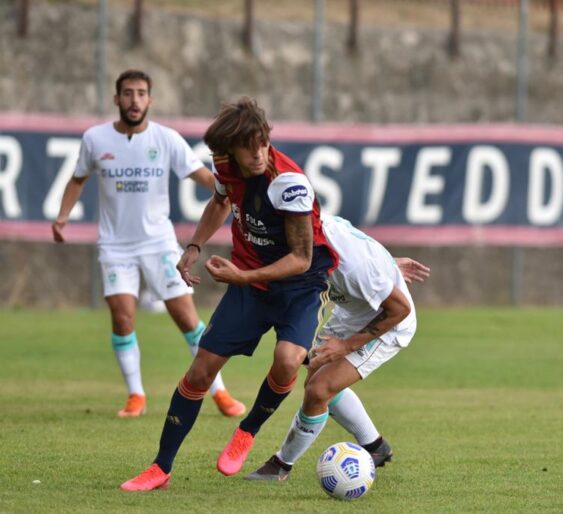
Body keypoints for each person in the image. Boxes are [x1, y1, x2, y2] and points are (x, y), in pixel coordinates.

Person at [120, 96, 339, 491]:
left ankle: (248, 430)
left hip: (299, 287)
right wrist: (194, 246)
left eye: (262, 142)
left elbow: (302, 258)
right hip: (251, 285)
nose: (258, 153)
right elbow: (220, 201)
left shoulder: (288, 184)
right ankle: (161, 468)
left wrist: (241, 275)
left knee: (288, 361)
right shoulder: (224, 167)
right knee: (201, 370)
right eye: (247, 146)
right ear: (229, 149)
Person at [52, 69, 245, 419]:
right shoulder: (95, 139)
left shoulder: (165, 139)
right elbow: (77, 179)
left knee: (187, 319)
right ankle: (136, 395)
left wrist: (229, 189)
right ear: (116, 99)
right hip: (115, 246)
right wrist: (63, 215)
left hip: (158, 244)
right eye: (128, 93)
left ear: (150, 100)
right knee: (122, 318)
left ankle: (220, 393)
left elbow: (200, 174)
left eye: (141, 93)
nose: (134, 100)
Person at [243, 214, 429, 480]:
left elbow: (399, 309)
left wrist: (346, 346)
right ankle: (375, 447)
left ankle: (281, 465)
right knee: (314, 382)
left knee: (319, 390)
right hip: (351, 311)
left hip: (389, 321)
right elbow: (360, 241)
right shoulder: (310, 227)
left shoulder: (354, 267)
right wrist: (388, 265)